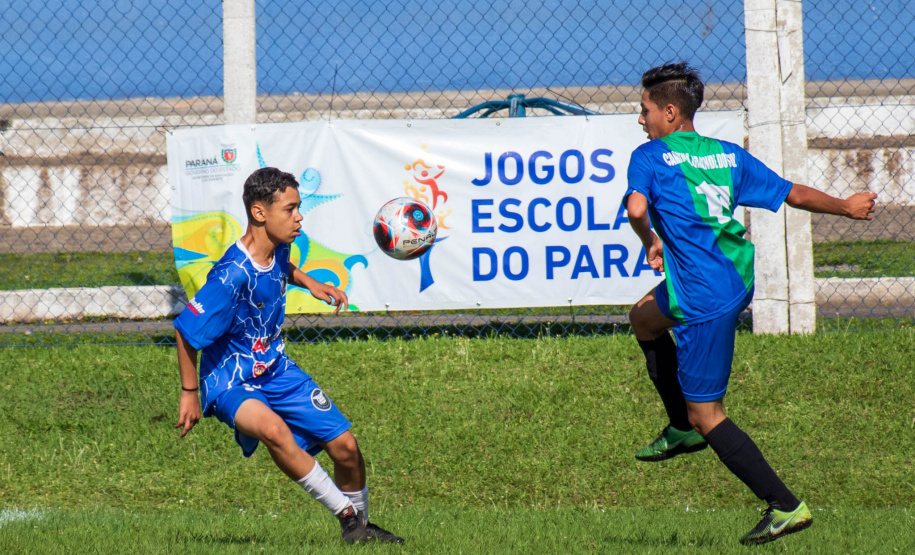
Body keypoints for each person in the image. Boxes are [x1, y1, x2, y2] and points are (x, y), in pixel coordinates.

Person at [624, 62, 876, 545]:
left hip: (703, 297)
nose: (641, 120)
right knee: (643, 319)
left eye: (645, 110)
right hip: (731, 277)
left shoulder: (650, 156)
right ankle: (680, 428)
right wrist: (845, 206)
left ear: (670, 112)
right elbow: (792, 193)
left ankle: (785, 505)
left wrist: (647, 239)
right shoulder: (727, 156)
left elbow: (637, 208)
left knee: (709, 414)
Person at [173, 167, 403, 545]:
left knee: (346, 447)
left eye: (299, 208)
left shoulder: (281, 247)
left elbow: (283, 267)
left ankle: (361, 528)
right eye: (291, 209)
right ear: (260, 213)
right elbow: (185, 331)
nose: (299, 217)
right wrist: (189, 392)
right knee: (274, 431)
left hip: (275, 368)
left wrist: (311, 282)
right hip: (231, 380)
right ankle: (349, 522)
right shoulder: (229, 276)